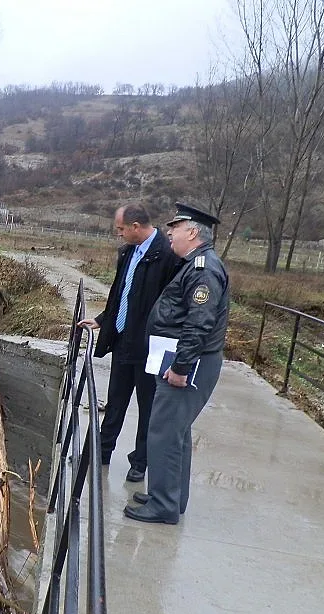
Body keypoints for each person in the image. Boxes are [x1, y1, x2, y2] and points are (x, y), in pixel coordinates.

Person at [123, 203, 230, 524]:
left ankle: (164, 505)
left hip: (188, 364)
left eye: (177, 227)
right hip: (179, 359)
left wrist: (181, 368)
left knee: (165, 433)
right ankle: (168, 495)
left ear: (193, 232)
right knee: (176, 433)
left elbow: (199, 323)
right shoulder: (194, 264)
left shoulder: (203, 270)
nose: (170, 232)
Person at [79, 203, 180, 482]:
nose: (119, 233)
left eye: (121, 228)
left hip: (149, 346)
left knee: (148, 407)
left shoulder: (167, 255)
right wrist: (103, 319)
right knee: (116, 400)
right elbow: (121, 292)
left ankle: (140, 462)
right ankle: (103, 449)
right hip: (124, 339)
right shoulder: (129, 252)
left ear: (136, 227)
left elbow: (173, 303)